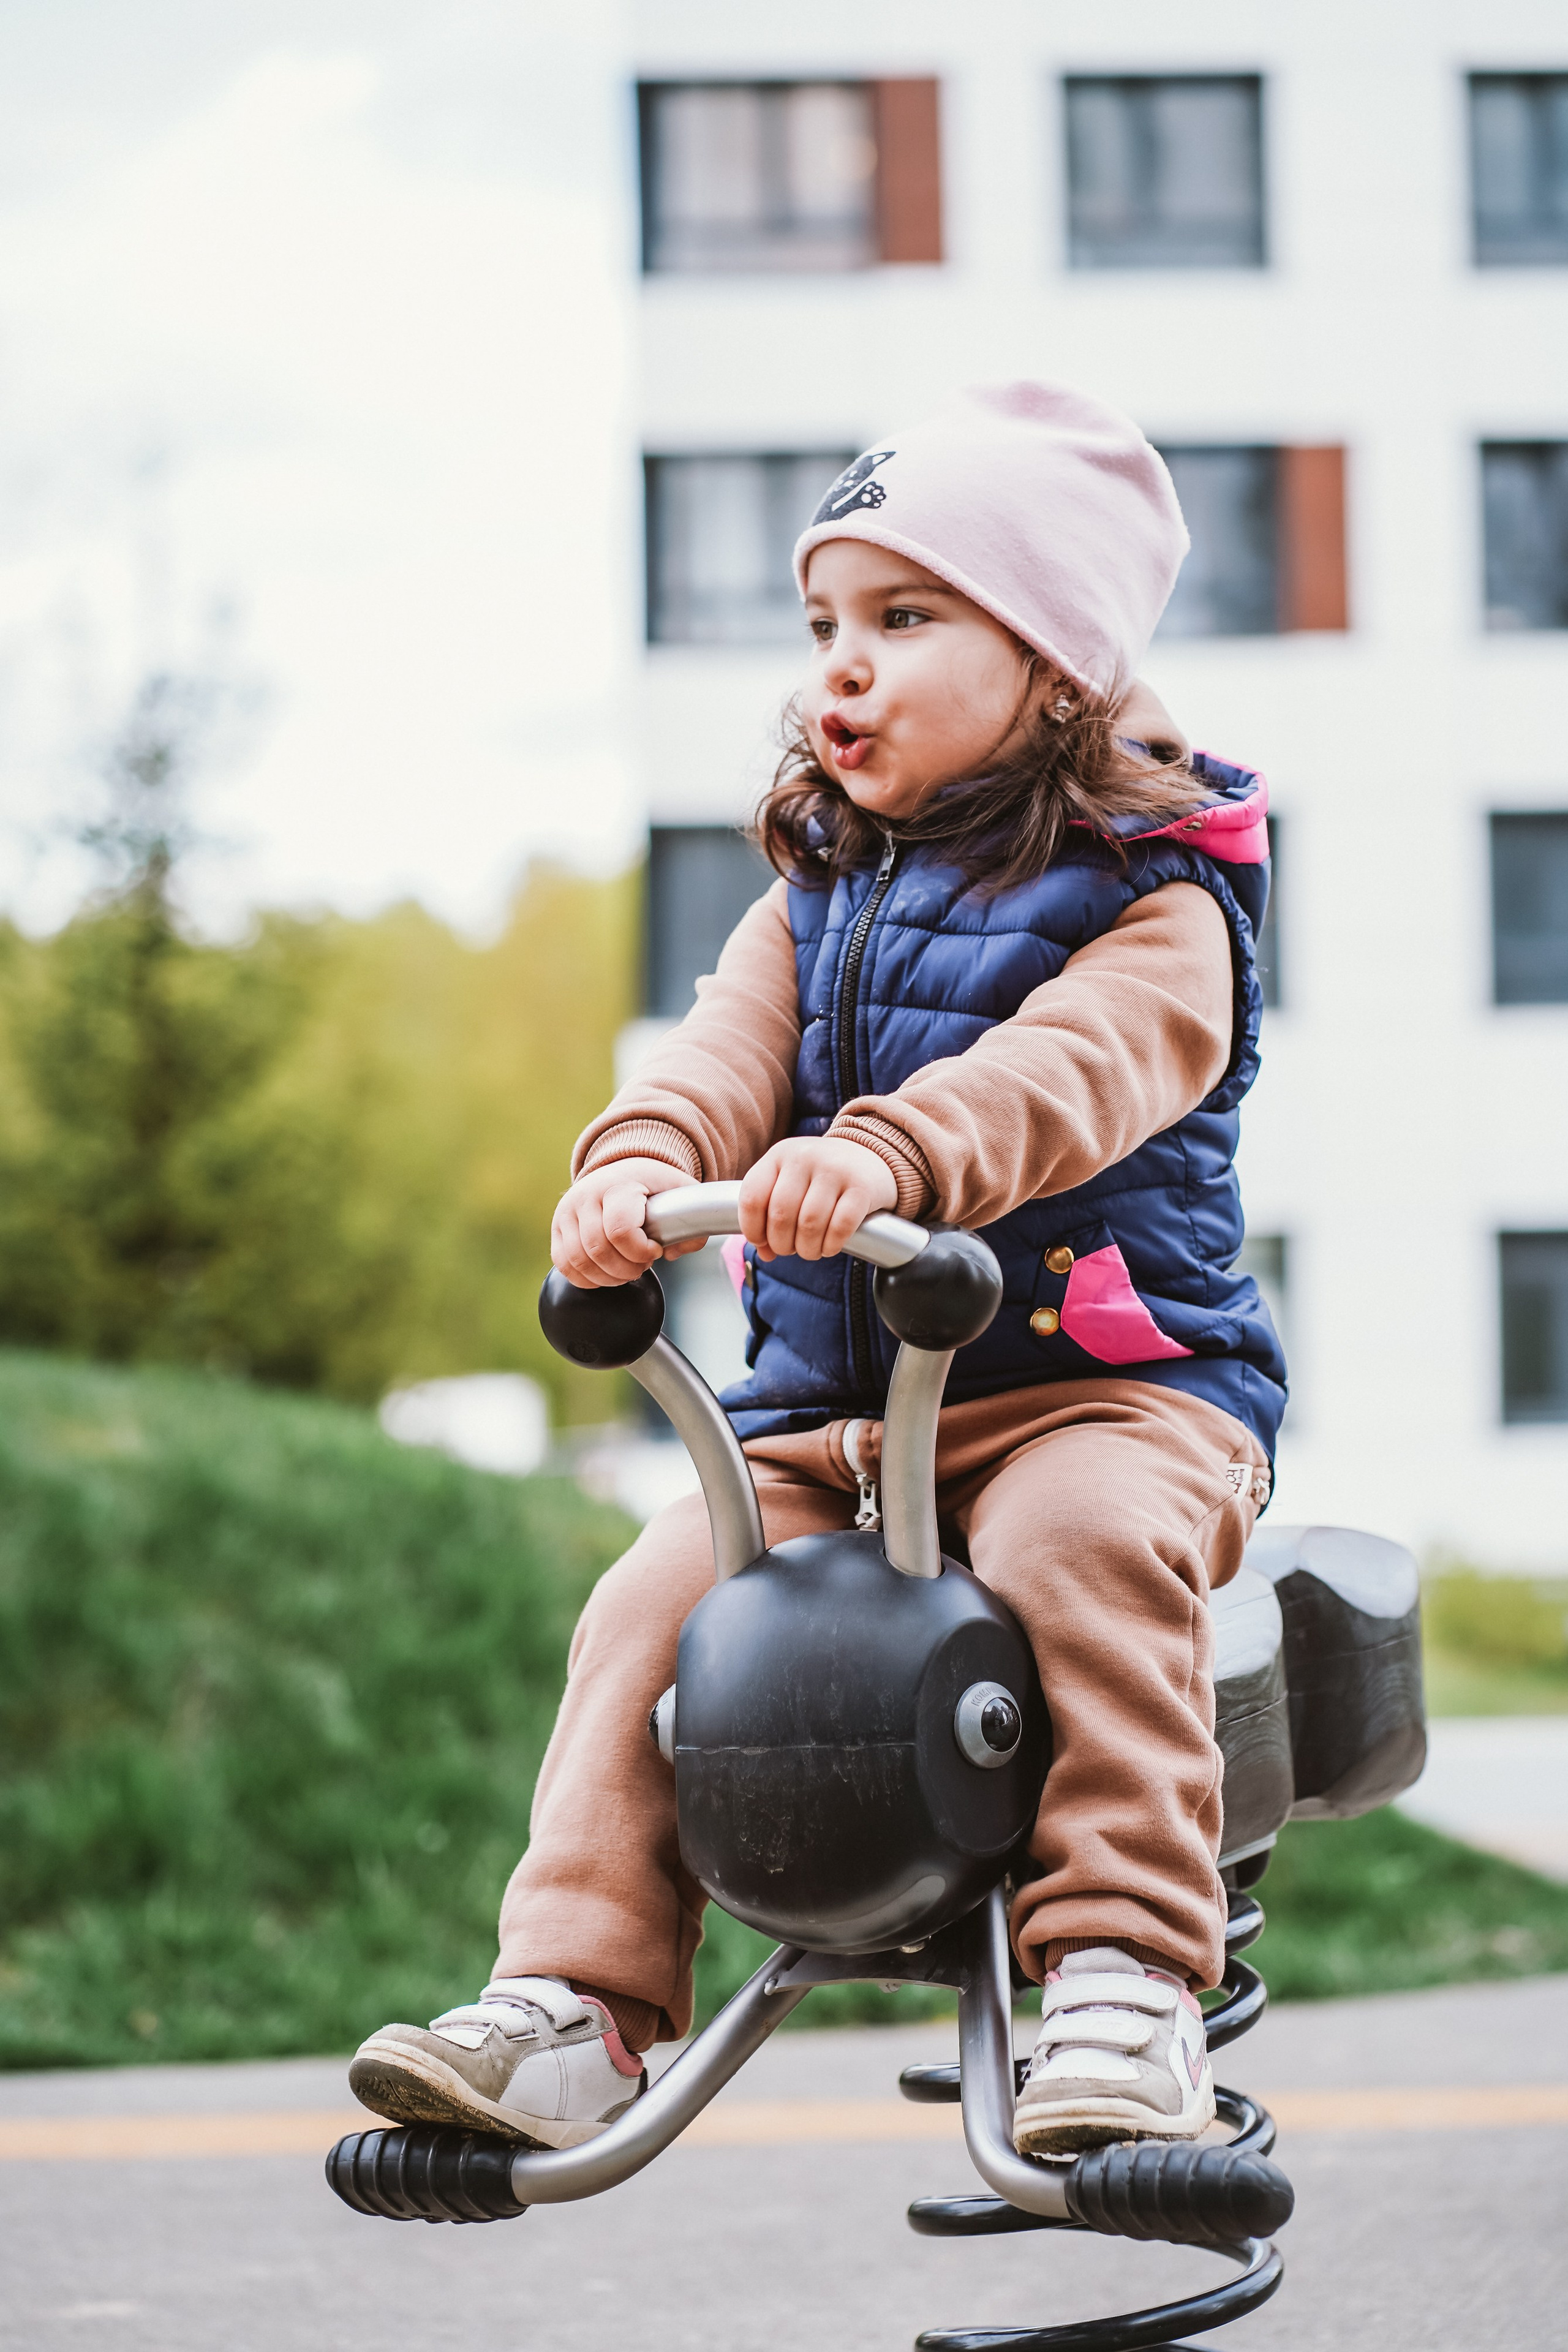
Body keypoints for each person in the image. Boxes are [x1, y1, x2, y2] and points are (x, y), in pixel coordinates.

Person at [348, 381, 1286, 2160]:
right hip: (826, 1431)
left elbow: (1070, 1074)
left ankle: (1118, 1979)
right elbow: (716, 1055)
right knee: (652, 1600)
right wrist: (638, 1168)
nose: (840, 666)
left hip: (1105, 1399)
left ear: (1058, 661)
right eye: (826, 623)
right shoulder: (814, 897)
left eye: (906, 617)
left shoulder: (1167, 908)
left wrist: (890, 1158)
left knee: (1081, 1554)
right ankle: (578, 2002)